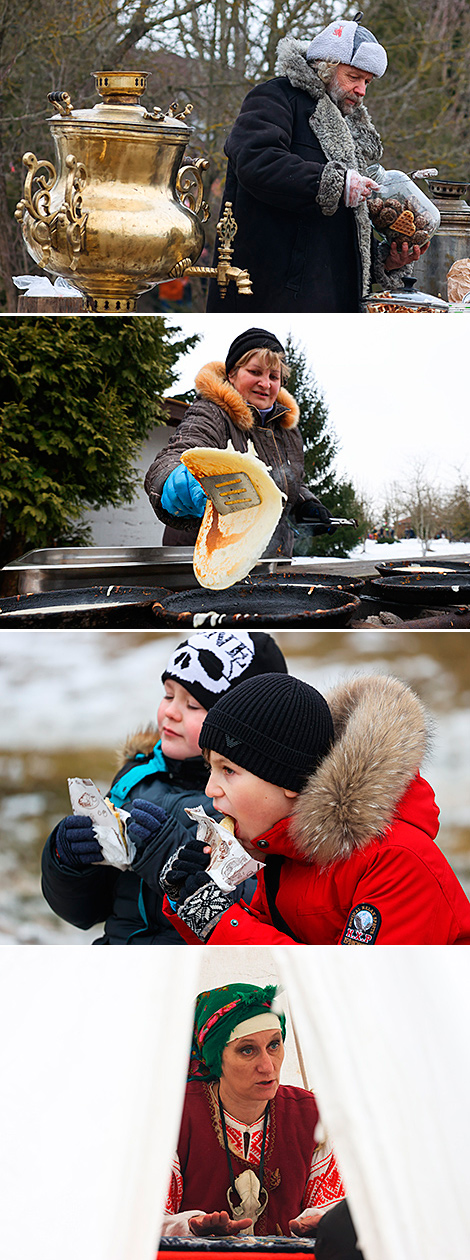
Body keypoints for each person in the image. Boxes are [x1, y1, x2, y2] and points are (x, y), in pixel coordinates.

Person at [161, 672, 470, 944]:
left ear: (288, 781)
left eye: (228, 769)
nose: (209, 789)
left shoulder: (397, 862)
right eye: (210, 768)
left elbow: (354, 988)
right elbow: (264, 967)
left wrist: (221, 922)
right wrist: (191, 905)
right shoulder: (286, 853)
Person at [40, 631, 287, 944]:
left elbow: (258, 912)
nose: (170, 712)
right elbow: (85, 913)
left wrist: (167, 854)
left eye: (193, 705)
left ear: (246, 729)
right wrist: (65, 860)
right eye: (168, 695)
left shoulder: (252, 804)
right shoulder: (134, 780)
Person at [206, 16, 428, 313]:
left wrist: (385, 261)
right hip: (271, 296)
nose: (362, 90)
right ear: (326, 67)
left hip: (330, 298)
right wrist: (334, 183)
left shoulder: (347, 125)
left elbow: (336, 232)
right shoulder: (274, 96)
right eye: (354, 77)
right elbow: (256, 159)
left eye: (367, 82)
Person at [161, 982, 345, 1237]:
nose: (268, 1066)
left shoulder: (312, 1117)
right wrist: (189, 1225)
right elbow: (143, 1221)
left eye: (274, 1045)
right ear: (216, 1059)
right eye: (247, 1050)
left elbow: (334, 1209)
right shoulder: (172, 1115)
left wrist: (323, 1222)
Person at [145, 327, 333, 559]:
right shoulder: (211, 412)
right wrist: (172, 478)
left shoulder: (288, 430)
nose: (265, 384)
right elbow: (178, 452)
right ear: (232, 374)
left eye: (274, 376)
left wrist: (305, 503)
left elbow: (284, 483)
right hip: (205, 556)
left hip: (268, 559)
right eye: (255, 372)